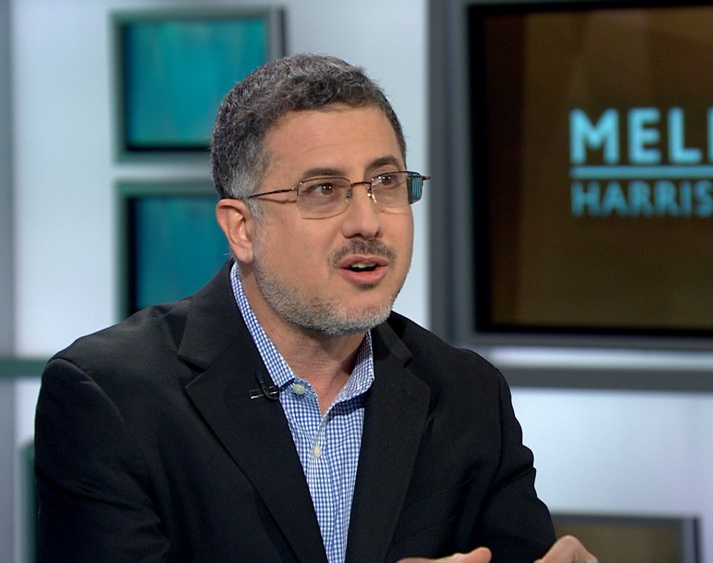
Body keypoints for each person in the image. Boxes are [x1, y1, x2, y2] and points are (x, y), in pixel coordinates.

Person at [35, 53, 596, 563]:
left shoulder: (467, 394)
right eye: (324, 190)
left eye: (385, 182)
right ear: (243, 229)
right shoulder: (111, 397)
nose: (367, 221)